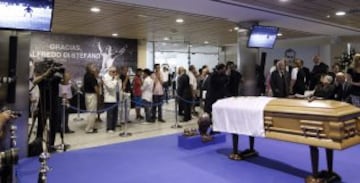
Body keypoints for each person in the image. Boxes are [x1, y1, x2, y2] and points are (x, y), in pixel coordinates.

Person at [103, 66, 121, 133]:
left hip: (116, 97)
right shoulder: (106, 77)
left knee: (115, 113)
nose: (115, 73)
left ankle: (113, 126)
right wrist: (115, 80)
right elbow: (111, 87)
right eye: (113, 72)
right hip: (109, 98)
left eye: (116, 72)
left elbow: (118, 87)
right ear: (109, 71)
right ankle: (109, 128)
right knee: (110, 114)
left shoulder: (115, 78)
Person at [83, 63, 100, 133]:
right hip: (91, 95)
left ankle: (91, 126)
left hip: (88, 95)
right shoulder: (91, 76)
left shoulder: (86, 75)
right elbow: (96, 88)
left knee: (91, 112)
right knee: (92, 112)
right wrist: (99, 95)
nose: (95, 68)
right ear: (89, 68)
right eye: (93, 67)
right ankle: (89, 128)